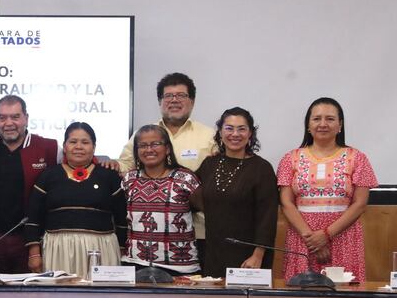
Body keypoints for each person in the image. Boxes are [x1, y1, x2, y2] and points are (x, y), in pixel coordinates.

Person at [115, 73, 214, 261]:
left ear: (192, 101)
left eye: (181, 95)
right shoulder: (145, 133)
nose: (174, 100)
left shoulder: (209, 136)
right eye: (168, 96)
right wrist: (109, 165)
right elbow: (125, 165)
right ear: (160, 101)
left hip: (200, 231)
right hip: (150, 235)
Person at [277, 98, 377, 282]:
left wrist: (325, 235)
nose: (323, 124)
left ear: (340, 125)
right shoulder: (290, 159)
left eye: (330, 119)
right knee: (300, 295)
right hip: (302, 238)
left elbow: (360, 204)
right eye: (316, 119)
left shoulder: (358, 158)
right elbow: (286, 202)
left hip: (343, 236)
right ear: (308, 125)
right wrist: (312, 239)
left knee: (343, 293)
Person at [25, 122, 126, 277]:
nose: (79, 147)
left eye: (85, 142)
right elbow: (33, 217)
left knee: (101, 292)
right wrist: (34, 254)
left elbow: (122, 218)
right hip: (58, 248)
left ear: (94, 147)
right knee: (60, 292)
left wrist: (121, 249)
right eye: (73, 142)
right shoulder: (48, 176)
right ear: (65, 147)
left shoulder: (109, 176)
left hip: (101, 248)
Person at [0, 95, 58, 273]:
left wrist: (106, 164)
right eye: (2, 117)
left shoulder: (48, 147)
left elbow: (78, 159)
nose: (8, 123)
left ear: (26, 118)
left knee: (29, 289)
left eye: (15, 117)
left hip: (30, 242)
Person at [193, 108, 278, 277]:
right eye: (229, 128)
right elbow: (190, 194)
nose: (235, 134)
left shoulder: (262, 168)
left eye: (241, 129)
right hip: (214, 251)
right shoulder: (209, 164)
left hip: (249, 256)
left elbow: (267, 217)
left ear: (250, 133)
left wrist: (258, 255)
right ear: (220, 132)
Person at [123, 125, 201, 275]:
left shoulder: (185, 178)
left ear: (167, 149)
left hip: (180, 268)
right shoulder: (129, 179)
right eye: (142, 145)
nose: (149, 149)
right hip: (136, 264)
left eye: (155, 144)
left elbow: (205, 210)